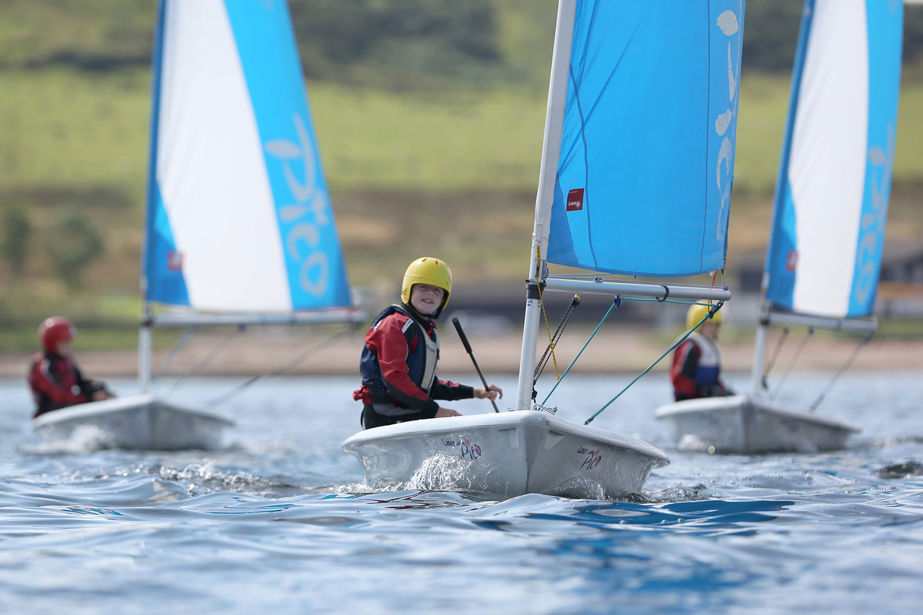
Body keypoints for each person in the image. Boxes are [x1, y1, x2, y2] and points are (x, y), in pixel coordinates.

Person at [353, 257, 502, 429]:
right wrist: (435, 410)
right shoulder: (395, 325)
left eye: (437, 291)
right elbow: (395, 380)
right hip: (384, 414)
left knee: (453, 418)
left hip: (409, 410)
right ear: (409, 289)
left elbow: (427, 387)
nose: (430, 293)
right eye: (423, 287)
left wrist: (475, 392)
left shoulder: (427, 331)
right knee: (452, 420)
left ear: (443, 300)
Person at [28, 316, 114, 418]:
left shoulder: (67, 361)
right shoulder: (44, 367)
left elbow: (82, 383)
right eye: (63, 343)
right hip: (51, 413)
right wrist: (89, 398)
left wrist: (99, 389)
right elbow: (58, 395)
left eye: (67, 343)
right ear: (52, 343)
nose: (67, 346)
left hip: (69, 406)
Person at [670, 303, 732, 402]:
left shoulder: (712, 347)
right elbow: (678, 381)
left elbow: (714, 379)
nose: (713, 329)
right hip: (687, 402)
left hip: (707, 402)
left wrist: (723, 391)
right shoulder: (691, 346)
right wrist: (702, 390)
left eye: (716, 325)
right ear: (698, 323)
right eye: (709, 324)